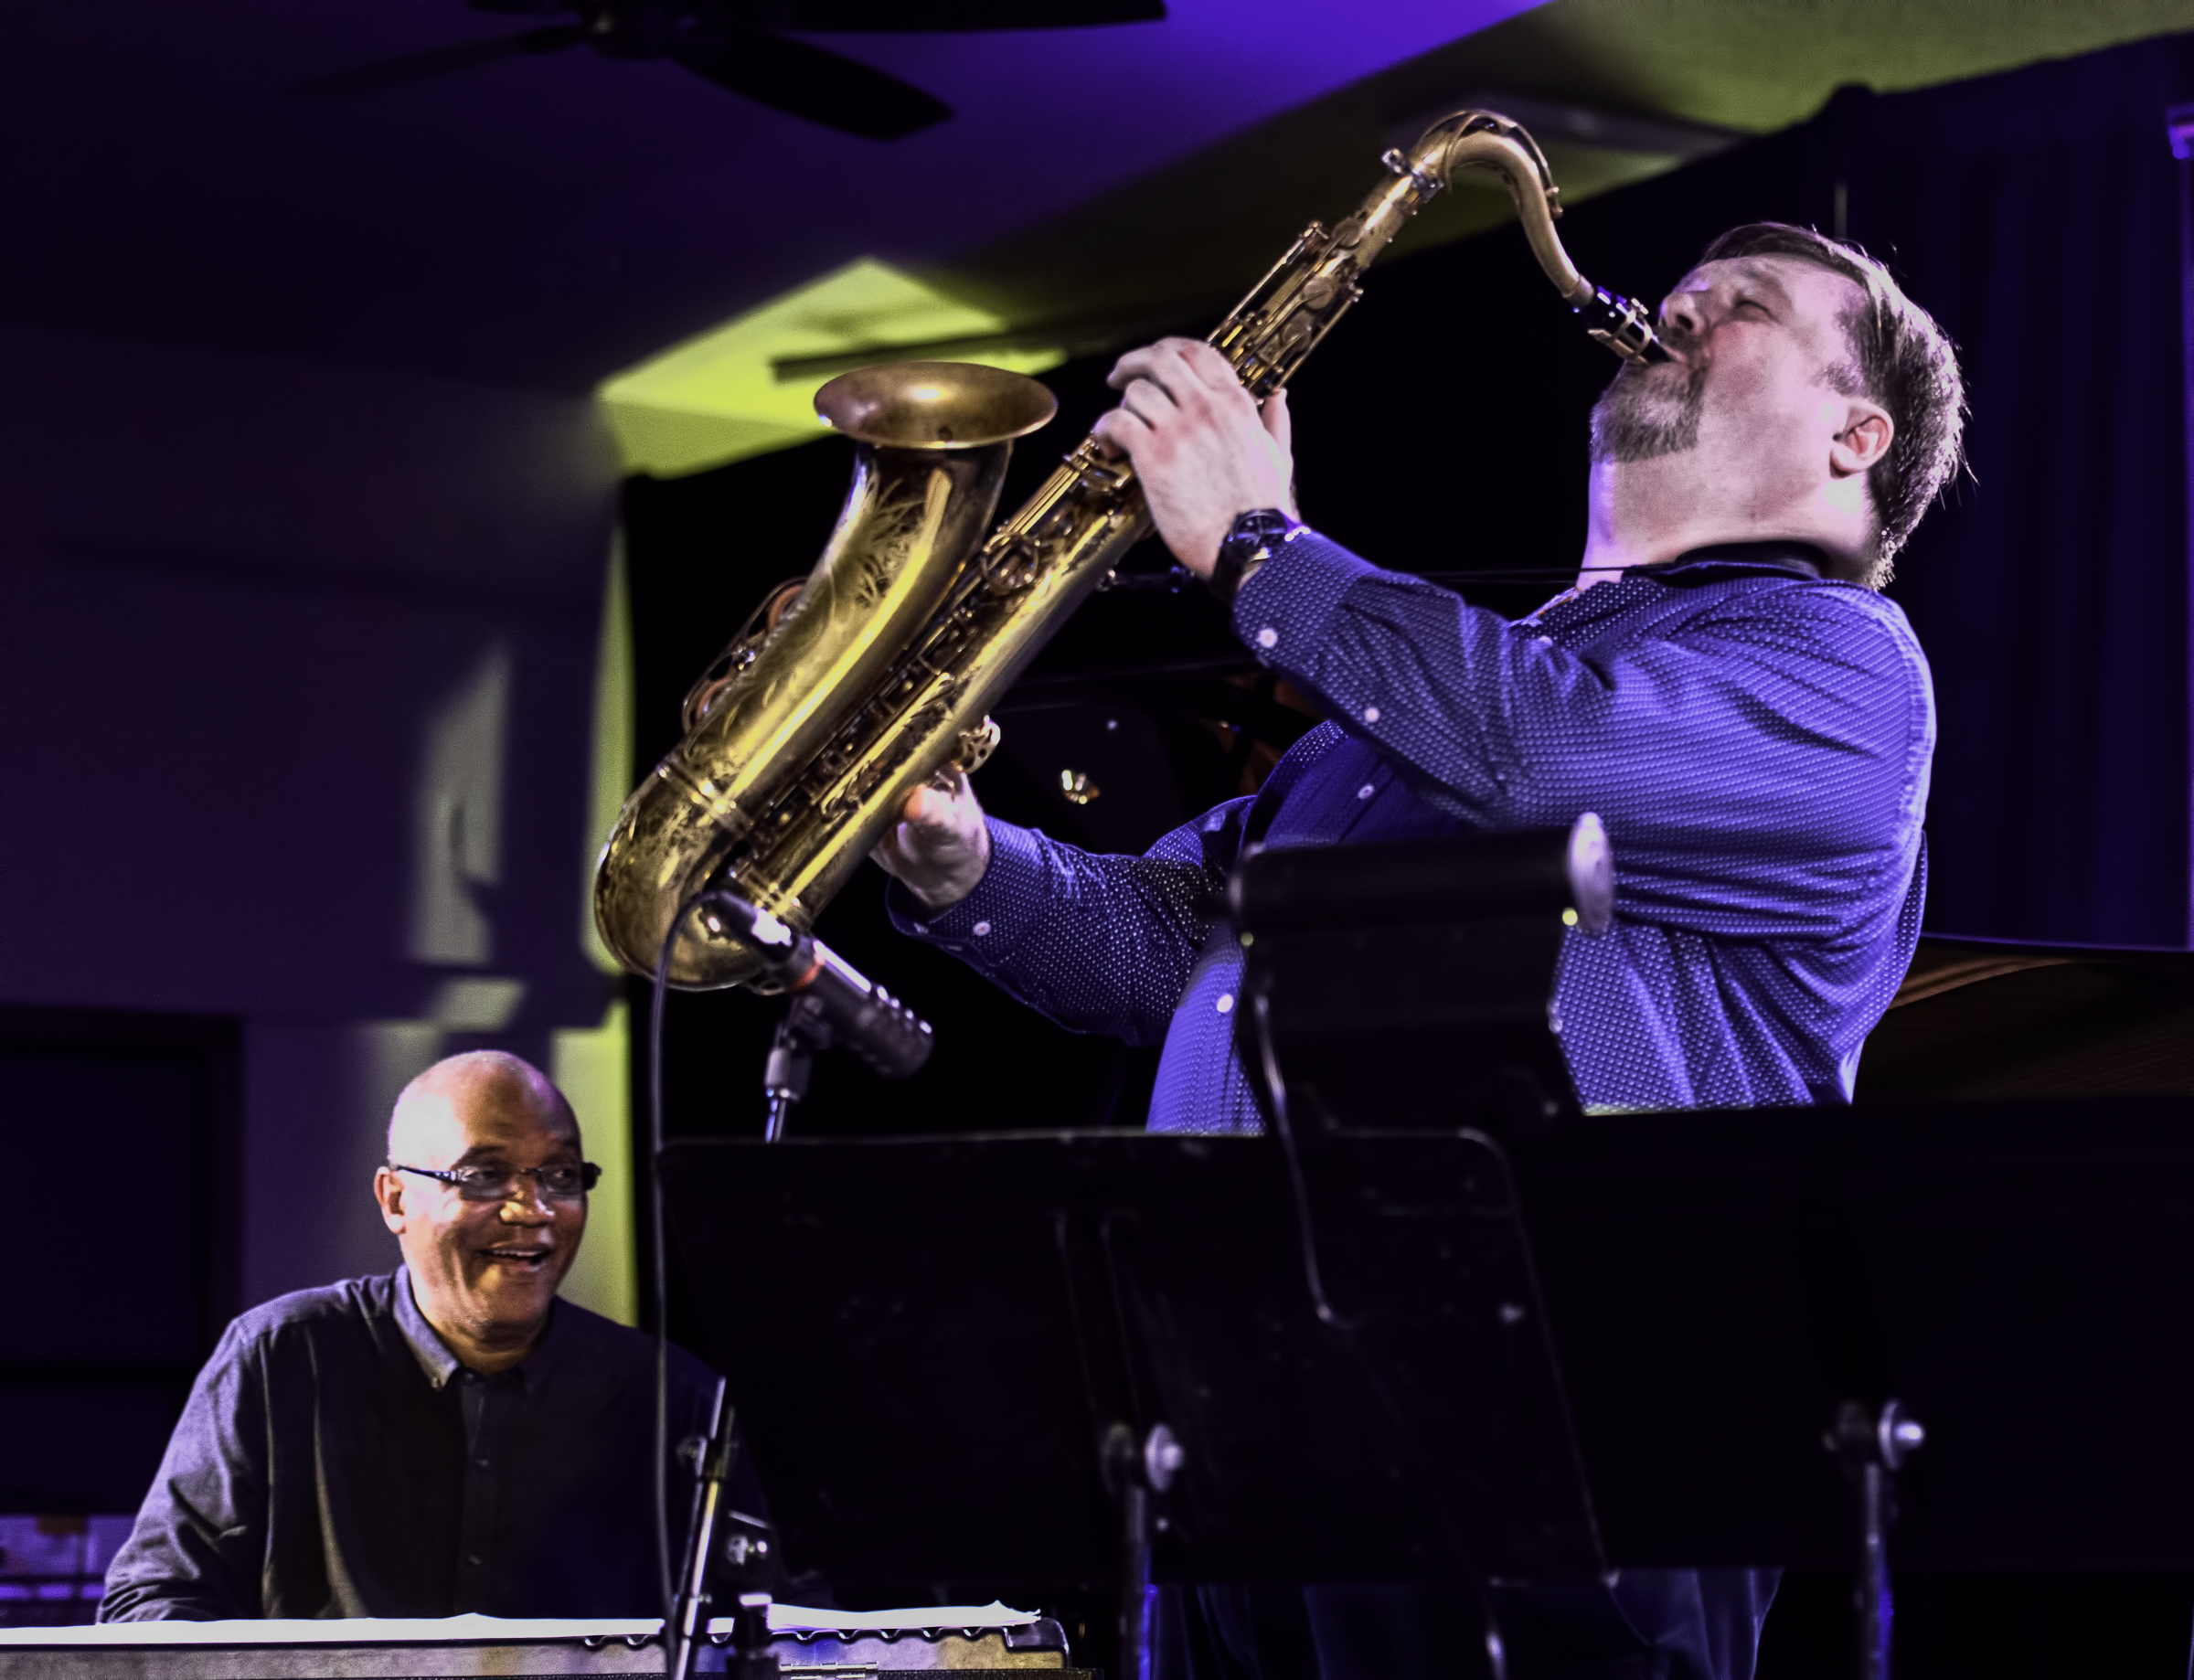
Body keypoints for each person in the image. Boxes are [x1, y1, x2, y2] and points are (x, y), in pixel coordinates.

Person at [872, 224, 1966, 1679]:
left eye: (1743, 306)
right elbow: (1175, 944)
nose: (1676, 308)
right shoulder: (1410, 710)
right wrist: (964, 857)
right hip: (1242, 1411)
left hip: (1565, 1435)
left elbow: (1544, 749)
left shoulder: (1842, 663)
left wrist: (1262, 548)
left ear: (1856, 434)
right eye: (1684, 290)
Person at [100, 1050, 768, 1621]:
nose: (531, 1209)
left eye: (561, 1177)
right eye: (483, 1175)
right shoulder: (280, 1356)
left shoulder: (671, 1395)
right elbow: (154, 1605)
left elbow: (772, 1620)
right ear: (395, 1200)